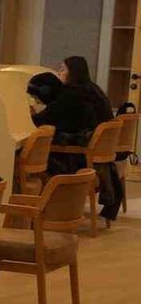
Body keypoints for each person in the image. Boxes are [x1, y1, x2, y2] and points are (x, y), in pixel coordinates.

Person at [56, 55, 124, 223]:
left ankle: (50, 209)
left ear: (73, 73)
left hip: (83, 155)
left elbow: (59, 121)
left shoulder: (75, 94)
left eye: (62, 70)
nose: (59, 73)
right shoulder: (94, 89)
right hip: (97, 154)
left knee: (41, 157)